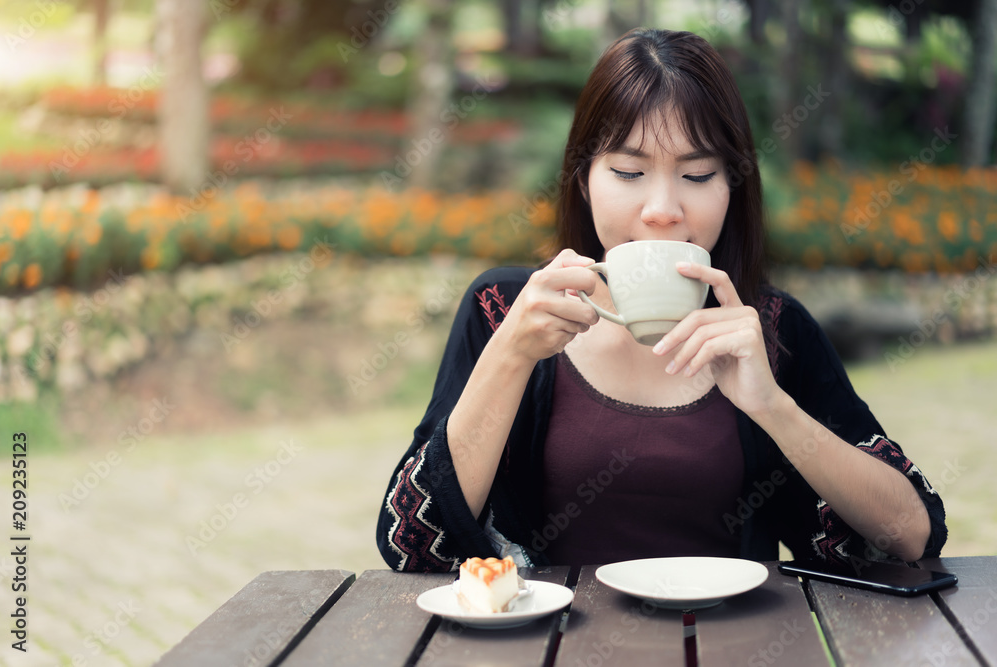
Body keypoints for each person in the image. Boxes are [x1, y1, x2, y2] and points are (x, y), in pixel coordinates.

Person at [375, 28, 947, 572]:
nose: (662, 209)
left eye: (697, 175)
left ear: (733, 188)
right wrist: (511, 356)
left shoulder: (772, 330)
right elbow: (412, 545)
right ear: (583, 179)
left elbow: (909, 538)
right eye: (628, 171)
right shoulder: (507, 309)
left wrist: (772, 407)